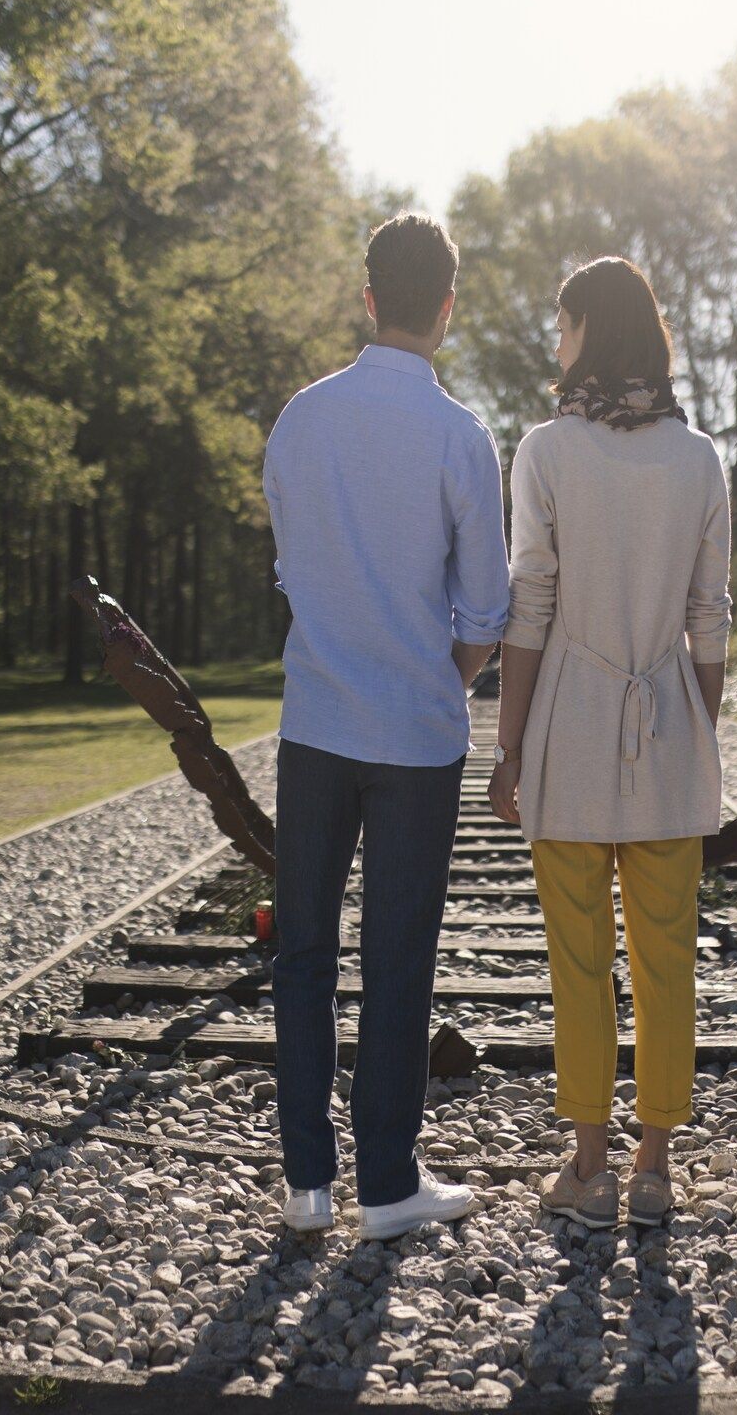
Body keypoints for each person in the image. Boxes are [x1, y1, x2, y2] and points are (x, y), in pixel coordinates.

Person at [262, 213, 510, 1240]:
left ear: (368, 299)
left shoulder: (300, 419)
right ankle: (388, 1185)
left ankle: (306, 1185)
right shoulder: (461, 437)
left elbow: (290, 568)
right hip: (415, 737)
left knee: (304, 954)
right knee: (397, 959)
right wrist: (437, 680)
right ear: (446, 308)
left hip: (316, 723)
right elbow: (486, 612)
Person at [487, 256, 731, 1230]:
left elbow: (530, 609)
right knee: (668, 962)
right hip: (668, 729)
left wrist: (508, 750)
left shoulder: (545, 451)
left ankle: (587, 1168)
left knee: (578, 964)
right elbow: (707, 618)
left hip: (570, 736)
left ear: (589, 327)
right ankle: (655, 1168)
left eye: (562, 324)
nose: (556, 343)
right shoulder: (699, 458)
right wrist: (697, 732)